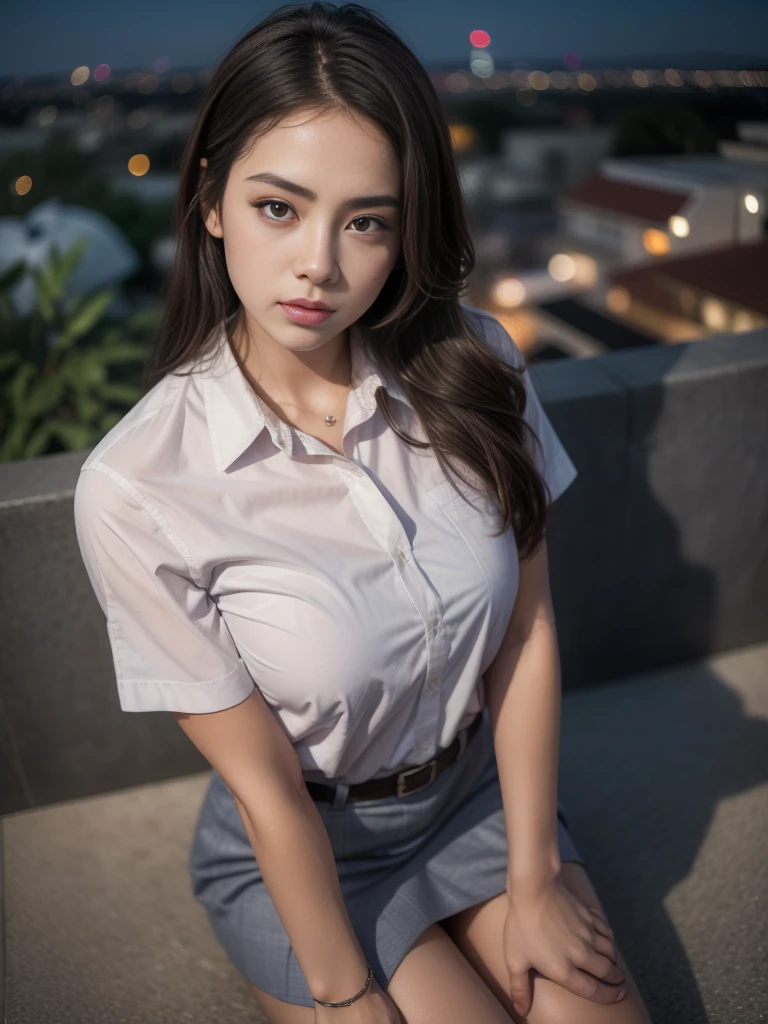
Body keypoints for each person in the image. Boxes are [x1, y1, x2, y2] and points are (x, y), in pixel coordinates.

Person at [73, 3, 653, 1023]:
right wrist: (346, 996)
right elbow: (265, 790)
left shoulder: (477, 363)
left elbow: (526, 630)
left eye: (367, 220)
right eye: (279, 208)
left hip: (478, 798)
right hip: (303, 849)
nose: (320, 266)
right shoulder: (140, 486)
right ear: (209, 201)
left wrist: (534, 874)